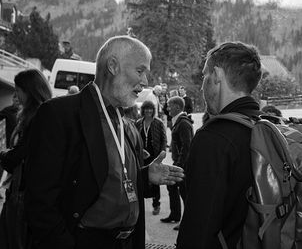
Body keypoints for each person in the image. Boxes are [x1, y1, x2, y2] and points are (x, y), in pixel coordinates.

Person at [23, 35, 184, 249]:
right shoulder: (60, 114)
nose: (145, 81)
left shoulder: (127, 125)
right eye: (140, 70)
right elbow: (39, 199)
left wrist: (145, 177)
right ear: (113, 66)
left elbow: (112, 182)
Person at [176, 41, 263, 248]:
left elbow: (198, 227)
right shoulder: (267, 127)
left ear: (217, 75)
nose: (202, 84)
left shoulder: (215, 138)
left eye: (205, 75)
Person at [0, 69, 52, 249]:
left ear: (28, 92)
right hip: (20, 192)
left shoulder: (36, 118)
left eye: (17, 90)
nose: (15, 94)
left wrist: (2, 153)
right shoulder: (41, 114)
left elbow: (13, 158)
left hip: (21, 195)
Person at [161, 96, 194, 231]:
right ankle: (175, 214)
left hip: (182, 164)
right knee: (172, 187)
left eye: (169, 105)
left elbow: (187, 145)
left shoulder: (183, 123)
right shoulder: (179, 122)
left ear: (177, 107)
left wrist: (179, 164)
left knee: (184, 193)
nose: (167, 108)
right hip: (179, 162)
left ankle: (187, 222)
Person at [135, 101, 167, 216]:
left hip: (155, 156)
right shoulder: (139, 123)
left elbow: (164, 139)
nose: (148, 111)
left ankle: (156, 204)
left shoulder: (158, 123)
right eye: (146, 109)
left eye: (150, 109)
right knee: (141, 179)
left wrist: (162, 154)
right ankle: (140, 206)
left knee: (155, 181)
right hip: (142, 157)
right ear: (143, 110)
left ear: (153, 110)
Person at [0, 93, 21, 191]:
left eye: (19, 101)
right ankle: (4, 186)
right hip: (10, 144)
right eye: (16, 101)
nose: (18, 103)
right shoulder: (8, 110)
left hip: (19, 145)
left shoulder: (24, 112)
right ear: (13, 100)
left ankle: (7, 186)